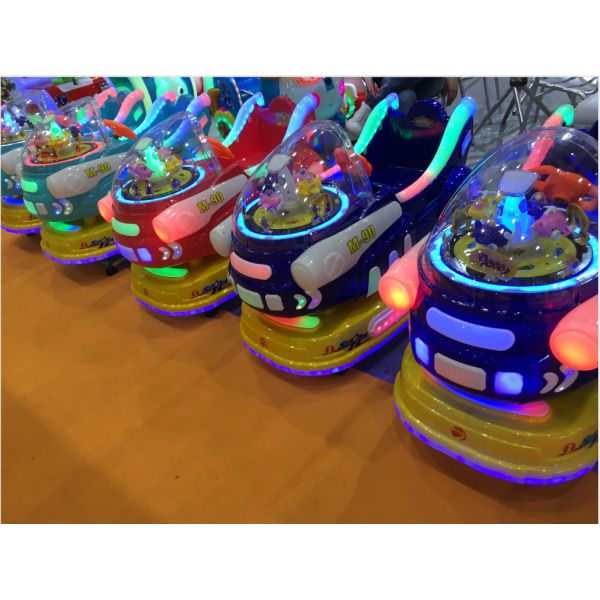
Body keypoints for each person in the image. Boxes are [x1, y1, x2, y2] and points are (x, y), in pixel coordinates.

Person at [346, 77, 459, 138]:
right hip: (392, 80)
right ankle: (401, 146)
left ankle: (371, 106)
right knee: (405, 97)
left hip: (427, 81)